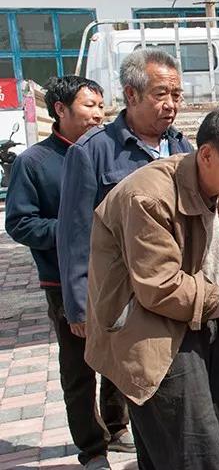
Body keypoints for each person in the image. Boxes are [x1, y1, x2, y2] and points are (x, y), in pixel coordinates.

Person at [84, 104, 219, 470]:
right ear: (207, 155)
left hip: (200, 317)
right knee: (195, 452)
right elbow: (161, 288)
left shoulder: (215, 185)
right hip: (153, 332)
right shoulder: (147, 198)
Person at [5, 76, 127, 469]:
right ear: (60, 109)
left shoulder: (107, 152)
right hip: (64, 281)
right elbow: (20, 223)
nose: (98, 114)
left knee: (119, 355)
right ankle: (92, 448)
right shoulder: (33, 162)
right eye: (89, 105)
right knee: (79, 368)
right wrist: (74, 231)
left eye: (101, 105)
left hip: (115, 277)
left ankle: (118, 426)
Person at [57, 47, 194, 338]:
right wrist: (79, 307)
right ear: (131, 94)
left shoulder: (182, 147)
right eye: (161, 94)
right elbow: (75, 235)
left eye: (176, 95)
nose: (171, 105)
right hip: (122, 295)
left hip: (175, 288)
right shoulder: (92, 151)